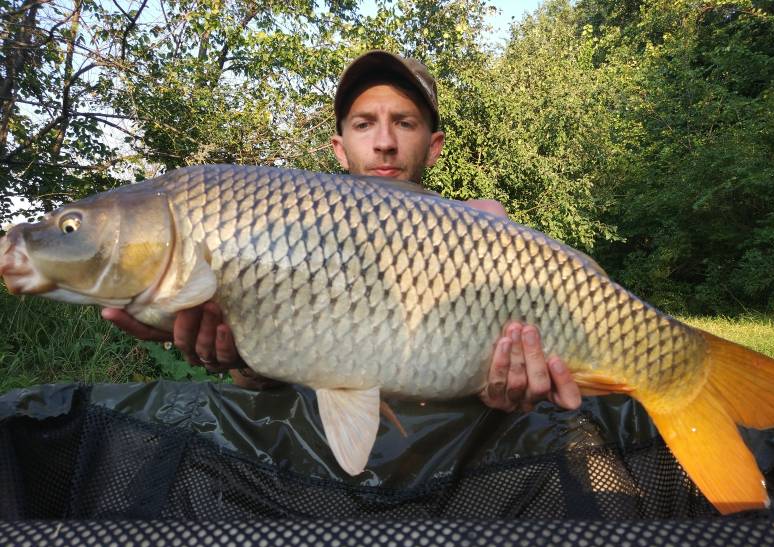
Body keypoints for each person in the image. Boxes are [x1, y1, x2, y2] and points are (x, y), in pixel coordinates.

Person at [102, 50, 581, 412]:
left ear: (433, 146)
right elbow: (265, 378)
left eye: (404, 123)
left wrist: (518, 388)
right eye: (364, 123)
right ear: (340, 146)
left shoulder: (488, 235)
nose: (385, 142)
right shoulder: (285, 225)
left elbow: (530, 377)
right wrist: (241, 363)